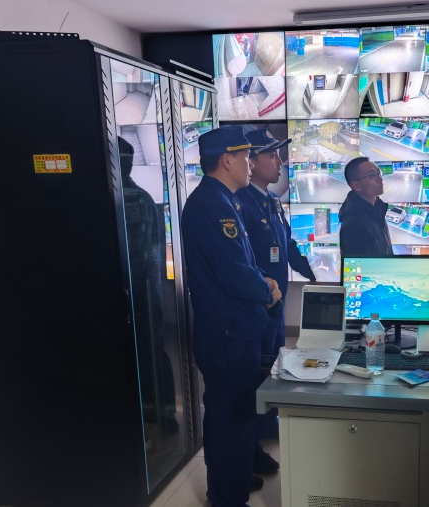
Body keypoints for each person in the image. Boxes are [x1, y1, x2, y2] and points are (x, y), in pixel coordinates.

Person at [180, 126, 282, 507]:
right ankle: (228, 497)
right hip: (228, 334)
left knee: (232, 415)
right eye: (245, 156)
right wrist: (267, 291)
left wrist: (262, 279)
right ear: (227, 160)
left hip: (231, 329)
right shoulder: (214, 205)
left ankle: (230, 482)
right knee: (231, 419)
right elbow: (234, 272)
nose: (250, 163)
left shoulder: (220, 199)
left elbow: (240, 263)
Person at [236, 129, 316, 471]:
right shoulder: (241, 203)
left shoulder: (270, 200)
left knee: (272, 366)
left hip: (276, 303)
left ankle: (268, 424)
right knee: (255, 373)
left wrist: (306, 269)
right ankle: (251, 443)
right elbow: (243, 261)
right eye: (272, 155)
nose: (280, 161)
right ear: (251, 162)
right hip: (258, 304)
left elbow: (286, 242)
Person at [118, 136, 178, 435]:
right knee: (151, 351)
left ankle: (160, 414)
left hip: (136, 294)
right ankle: (161, 413)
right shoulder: (142, 197)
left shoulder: (129, 199)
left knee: (148, 353)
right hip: (146, 292)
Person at [338, 156, 393, 257]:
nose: (380, 179)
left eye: (378, 173)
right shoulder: (353, 226)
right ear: (356, 185)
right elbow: (358, 264)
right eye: (372, 175)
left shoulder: (377, 208)